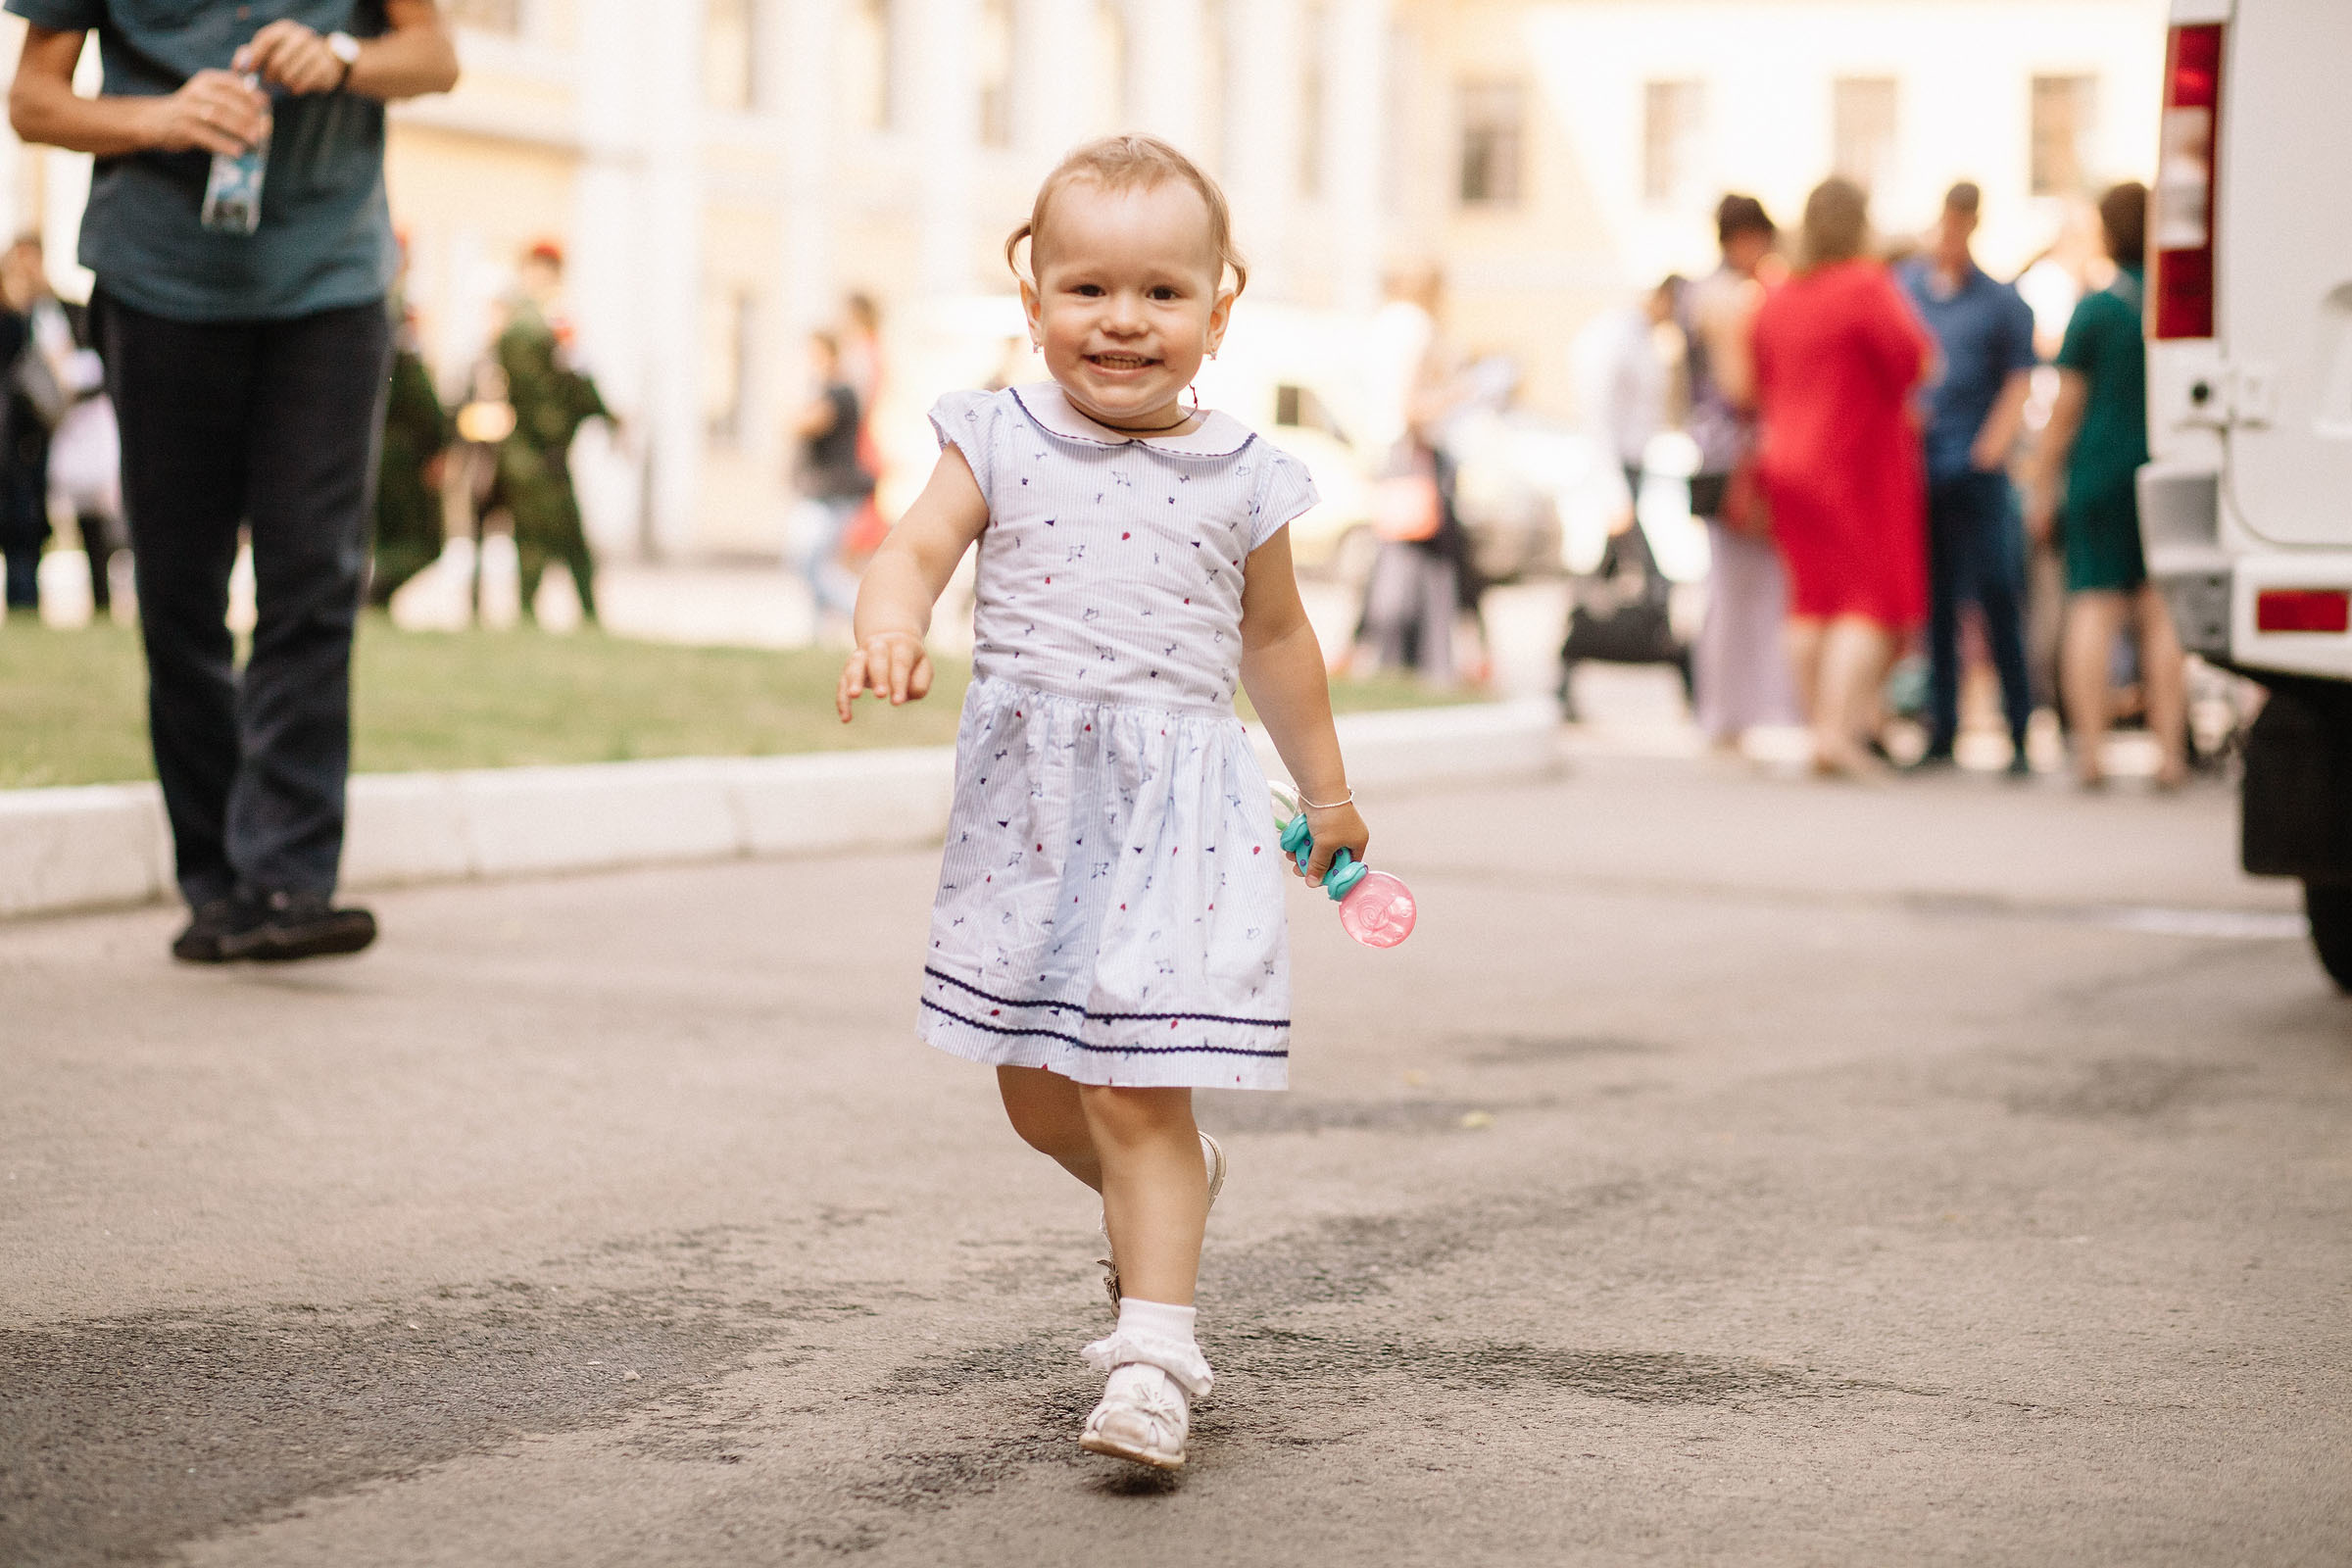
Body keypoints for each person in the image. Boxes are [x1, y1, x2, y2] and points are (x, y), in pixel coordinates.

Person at [835, 135, 1365, 1473]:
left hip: (1181, 818)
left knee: (1136, 1095)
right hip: (1032, 818)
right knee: (1035, 1092)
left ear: (1218, 307)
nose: (1122, 321)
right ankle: (1168, 1190)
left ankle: (1154, 1356)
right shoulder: (995, 435)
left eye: (1160, 294)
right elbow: (911, 550)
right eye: (1087, 290)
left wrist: (1331, 791)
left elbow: (1280, 640)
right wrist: (890, 625)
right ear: (1034, 299)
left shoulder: (1245, 471)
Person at [6, 1, 460, 960]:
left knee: (313, 578)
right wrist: (157, 116)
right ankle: (218, 882)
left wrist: (340, 57)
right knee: (178, 588)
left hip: (327, 285)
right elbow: (33, 102)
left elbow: (434, 59)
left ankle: (291, 878)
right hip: (159, 282)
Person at [1751, 176, 1934, 776]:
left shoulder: (1780, 296)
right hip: (1856, 462)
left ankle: (1818, 731)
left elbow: (1756, 375)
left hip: (1786, 462)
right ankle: (1838, 734)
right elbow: (1914, 360)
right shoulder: (1865, 285)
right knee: (1865, 602)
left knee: (1810, 602)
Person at [2026, 181, 2186, 789]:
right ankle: (2170, 754)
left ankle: (2089, 753)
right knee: (2159, 611)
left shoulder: (2097, 307)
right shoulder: (2171, 300)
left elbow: (2065, 410)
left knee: (2092, 608)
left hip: (2098, 471)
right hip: (2161, 464)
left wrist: (2043, 484)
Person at [1899, 182, 2038, 773]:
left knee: (1998, 594)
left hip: (1976, 468)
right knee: (1935, 603)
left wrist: (1991, 448)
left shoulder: (2001, 302)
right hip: (1924, 465)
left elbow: (2018, 379)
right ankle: (1942, 724)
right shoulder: (1909, 290)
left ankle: (2019, 726)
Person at [1684, 195, 1799, 750]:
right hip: (1736, 457)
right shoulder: (1721, 297)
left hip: (1732, 454)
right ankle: (1728, 714)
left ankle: (1740, 711)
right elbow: (1739, 387)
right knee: (1735, 590)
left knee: (1747, 588)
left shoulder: (1718, 293)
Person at [491, 239, 608, 623]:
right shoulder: (526, 324)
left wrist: (604, 414)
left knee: (562, 536)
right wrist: (557, 430)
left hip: (548, 450)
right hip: (533, 450)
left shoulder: (553, 322)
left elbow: (577, 382)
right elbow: (536, 395)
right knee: (536, 537)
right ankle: (529, 612)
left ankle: (584, 613)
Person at [369, 260, 450, 606]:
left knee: (385, 535)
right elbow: (416, 390)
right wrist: (439, 442)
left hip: (371, 440)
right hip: (403, 449)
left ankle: (374, 595)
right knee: (423, 542)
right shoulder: (396, 308)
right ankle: (374, 593)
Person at [788, 328, 874, 626]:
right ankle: (817, 634)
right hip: (821, 492)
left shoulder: (838, 393)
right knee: (814, 568)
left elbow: (805, 424)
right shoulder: (830, 391)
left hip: (830, 494)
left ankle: (865, 614)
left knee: (810, 566)